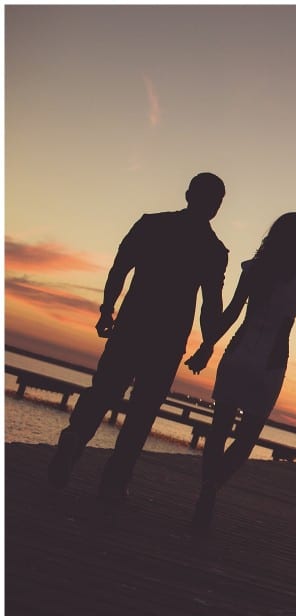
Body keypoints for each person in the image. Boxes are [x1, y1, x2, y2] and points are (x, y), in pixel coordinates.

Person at [48, 172, 229, 500]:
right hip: (169, 338)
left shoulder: (152, 224)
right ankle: (115, 482)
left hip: (132, 326)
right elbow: (211, 304)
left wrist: (107, 309)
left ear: (188, 194)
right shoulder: (214, 251)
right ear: (216, 207)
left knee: (102, 390)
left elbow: (120, 268)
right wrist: (207, 344)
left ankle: (75, 437)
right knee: (143, 410)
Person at [184, 212, 296, 533]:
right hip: (270, 365)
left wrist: (206, 345)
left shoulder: (254, 270)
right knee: (246, 438)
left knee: (218, 430)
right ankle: (214, 486)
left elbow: (231, 313)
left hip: (238, 356)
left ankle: (207, 486)